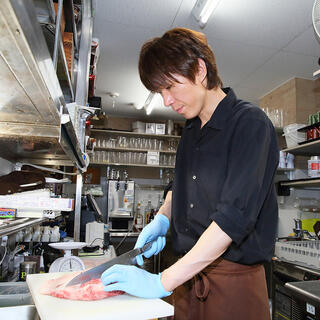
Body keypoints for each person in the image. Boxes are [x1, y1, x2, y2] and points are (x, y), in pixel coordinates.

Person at [101, 28, 279, 320]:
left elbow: (232, 220)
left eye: (171, 87)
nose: (167, 101)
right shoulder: (191, 130)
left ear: (199, 70)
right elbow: (179, 185)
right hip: (187, 277)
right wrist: (162, 218)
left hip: (233, 285)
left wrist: (162, 281)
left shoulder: (250, 124)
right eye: (160, 92)